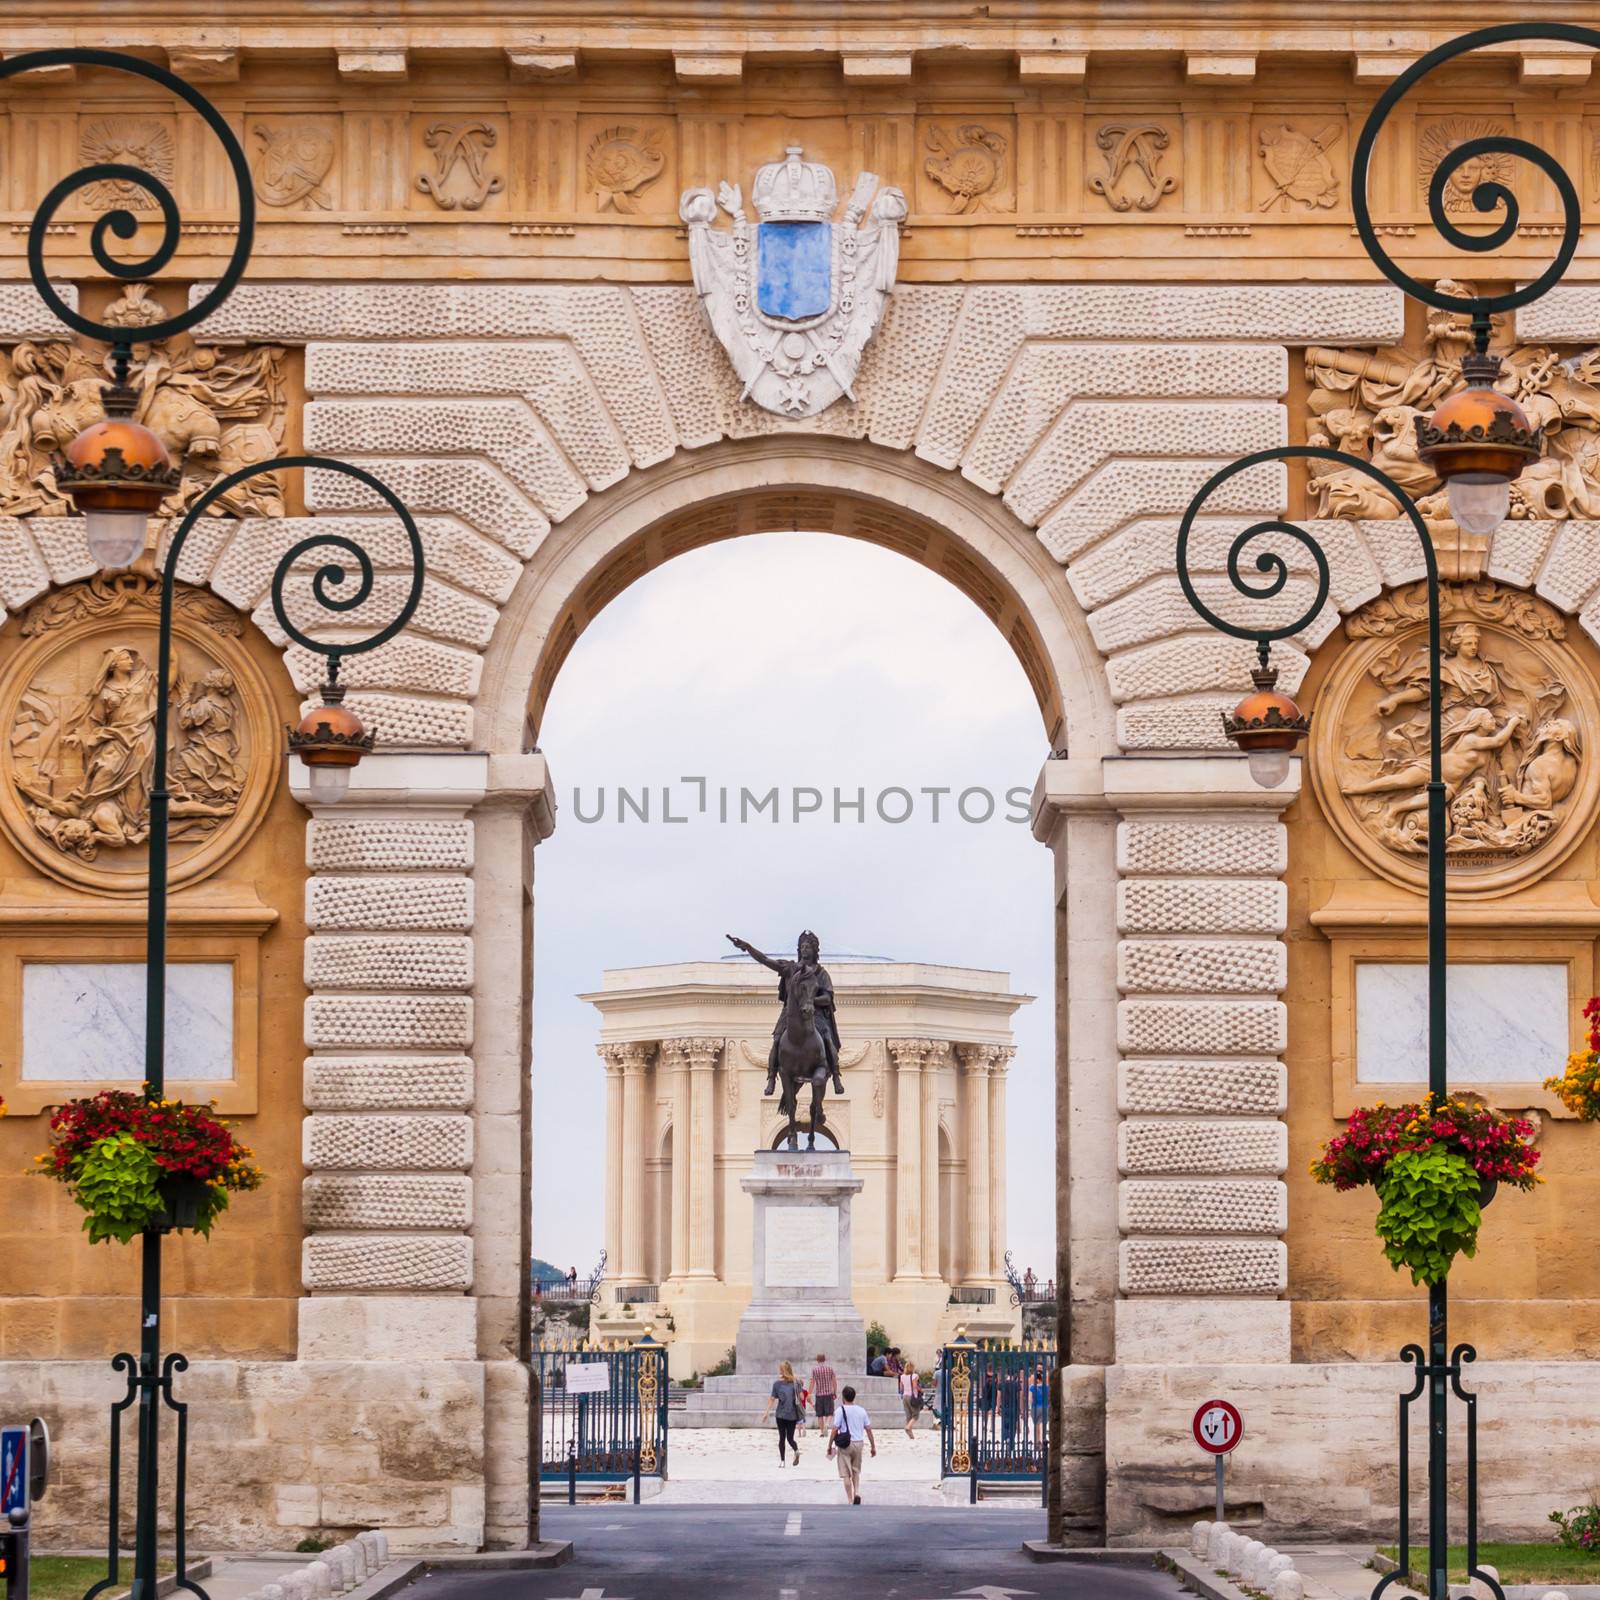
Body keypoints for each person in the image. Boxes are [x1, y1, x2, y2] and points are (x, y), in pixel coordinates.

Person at [827, 1383, 876, 1504]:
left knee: (845, 1474)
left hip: (845, 1444)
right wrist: (873, 1446)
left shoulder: (840, 1410)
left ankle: (849, 1499)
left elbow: (835, 1429)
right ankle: (857, 1493)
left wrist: (829, 1445)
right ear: (854, 1397)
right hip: (859, 1443)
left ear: (843, 1397)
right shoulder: (861, 1410)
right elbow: (868, 1429)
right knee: (856, 1471)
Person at [760, 1359, 805, 1465]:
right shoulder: (796, 1382)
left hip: (780, 1414)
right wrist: (798, 1388)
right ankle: (796, 1450)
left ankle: (782, 1461)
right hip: (792, 1415)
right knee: (790, 1438)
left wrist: (766, 1412)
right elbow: (802, 1397)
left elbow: (772, 1399)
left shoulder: (777, 1384)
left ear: (782, 1371)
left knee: (781, 1438)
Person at [811, 1352, 838, 1438]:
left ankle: (822, 1432)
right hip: (828, 1394)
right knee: (830, 1413)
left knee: (820, 1415)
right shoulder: (830, 1369)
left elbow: (812, 1382)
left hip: (819, 1394)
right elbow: (834, 1381)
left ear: (817, 1360)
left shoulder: (815, 1370)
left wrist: (809, 1393)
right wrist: (835, 1392)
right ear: (824, 1359)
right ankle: (827, 1424)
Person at [898, 1359, 921, 1437]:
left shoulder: (902, 1376)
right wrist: (920, 1390)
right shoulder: (915, 1376)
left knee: (908, 1415)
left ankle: (910, 1434)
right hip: (912, 1396)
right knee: (915, 1415)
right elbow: (915, 1386)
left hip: (905, 1396)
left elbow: (901, 1388)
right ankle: (908, 1427)